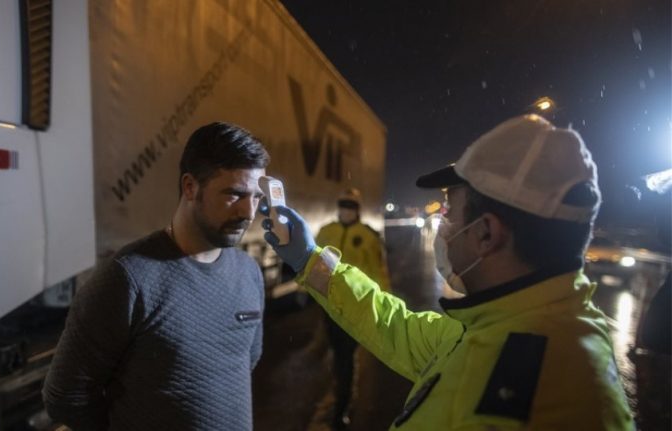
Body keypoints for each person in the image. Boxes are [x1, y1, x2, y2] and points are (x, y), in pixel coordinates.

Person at [262, 114, 634, 430]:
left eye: (449, 213)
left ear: (486, 233)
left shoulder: (519, 399)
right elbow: (393, 326)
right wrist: (310, 260)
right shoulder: (516, 326)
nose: (442, 225)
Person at [43, 122, 270, 430]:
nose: (248, 212)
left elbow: (246, 362)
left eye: (256, 197)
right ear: (190, 187)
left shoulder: (248, 273)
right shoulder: (128, 277)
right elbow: (65, 396)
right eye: (234, 194)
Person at [315, 187, 391, 429]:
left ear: (358, 209)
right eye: (343, 205)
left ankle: (342, 408)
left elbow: (379, 272)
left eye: (350, 206)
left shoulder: (368, 237)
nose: (346, 210)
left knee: (345, 358)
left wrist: (383, 306)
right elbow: (314, 263)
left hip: (355, 309)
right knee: (338, 355)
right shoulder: (326, 232)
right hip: (329, 306)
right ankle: (340, 396)